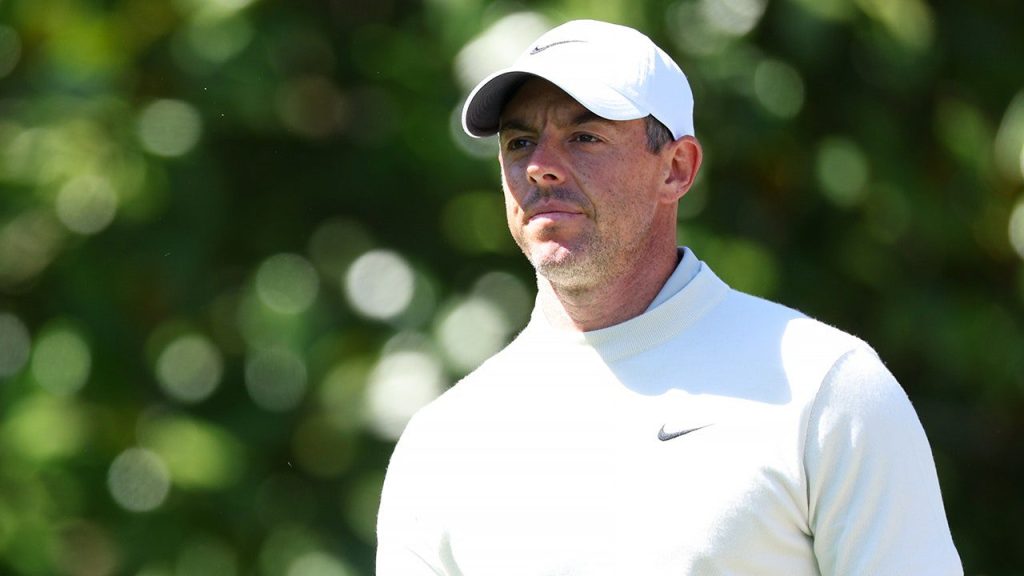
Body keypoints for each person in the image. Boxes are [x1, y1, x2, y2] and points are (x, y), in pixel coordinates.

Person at [376, 19, 962, 575]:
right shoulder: (442, 443)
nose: (540, 168)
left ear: (677, 168)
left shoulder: (826, 387)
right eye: (519, 141)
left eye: (584, 136)